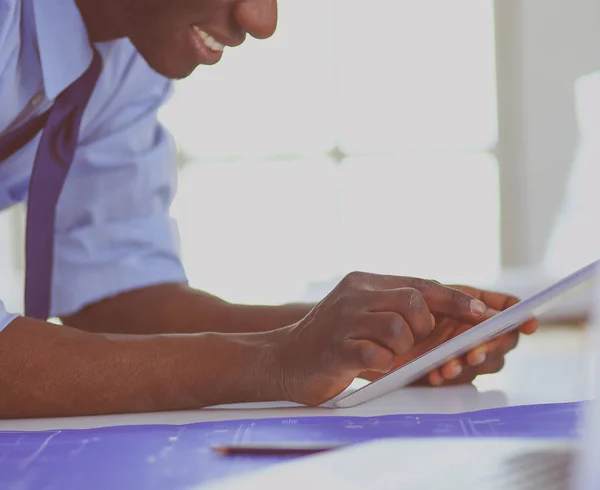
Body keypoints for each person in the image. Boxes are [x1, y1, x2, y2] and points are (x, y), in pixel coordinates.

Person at [0, 0, 537, 419]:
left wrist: (370, 343)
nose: (262, 21)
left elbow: (116, 300)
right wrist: (271, 362)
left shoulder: (126, 68)